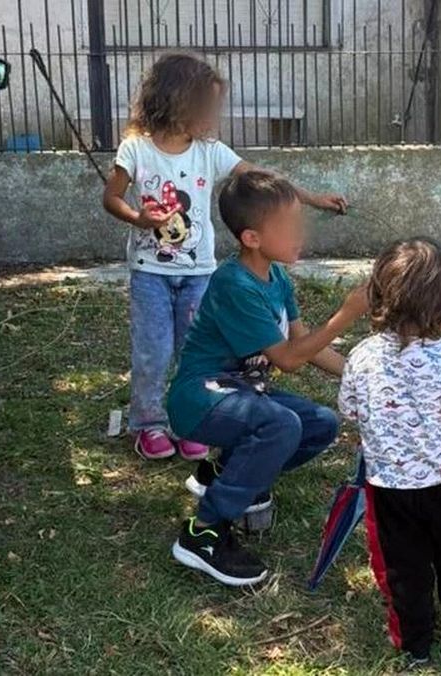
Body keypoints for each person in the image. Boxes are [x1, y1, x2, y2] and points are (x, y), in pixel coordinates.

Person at [102, 52, 347, 461]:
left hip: (199, 272)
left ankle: (187, 421)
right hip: (150, 272)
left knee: (196, 350)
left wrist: (313, 198)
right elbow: (111, 197)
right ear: (177, 101)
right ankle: (147, 422)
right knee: (153, 351)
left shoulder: (210, 151)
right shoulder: (136, 149)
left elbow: (264, 181)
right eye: (208, 106)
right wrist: (137, 217)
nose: (214, 116)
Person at [166, 170, 367, 586]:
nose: (300, 234)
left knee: (321, 424)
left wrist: (362, 375)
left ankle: (226, 474)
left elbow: (304, 345)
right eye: (288, 227)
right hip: (200, 398)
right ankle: (203, 533)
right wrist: (346, 315)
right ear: (252, 238)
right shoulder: (235, 284)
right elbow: (289, 359)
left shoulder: (276, 277)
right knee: (282, 425)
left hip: (241, 395)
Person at [338, 238, 441, 669]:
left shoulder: (361, 356)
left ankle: (415, 645)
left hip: (388, 490)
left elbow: (349, 408)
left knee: (404, 569)